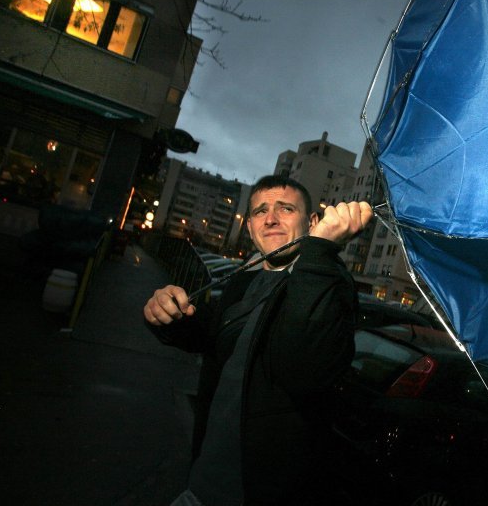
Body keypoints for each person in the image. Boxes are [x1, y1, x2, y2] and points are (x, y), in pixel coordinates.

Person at [143, 175, 372, 505]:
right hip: (201, 483)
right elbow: (211, 339)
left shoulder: (328, 284)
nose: (271, 219)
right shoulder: (242, 284)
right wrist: (165, 315)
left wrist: (319, 251)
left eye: (285, 208)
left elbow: (303, 371)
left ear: (312, 222)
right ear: (249, 227)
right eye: (260, 211)